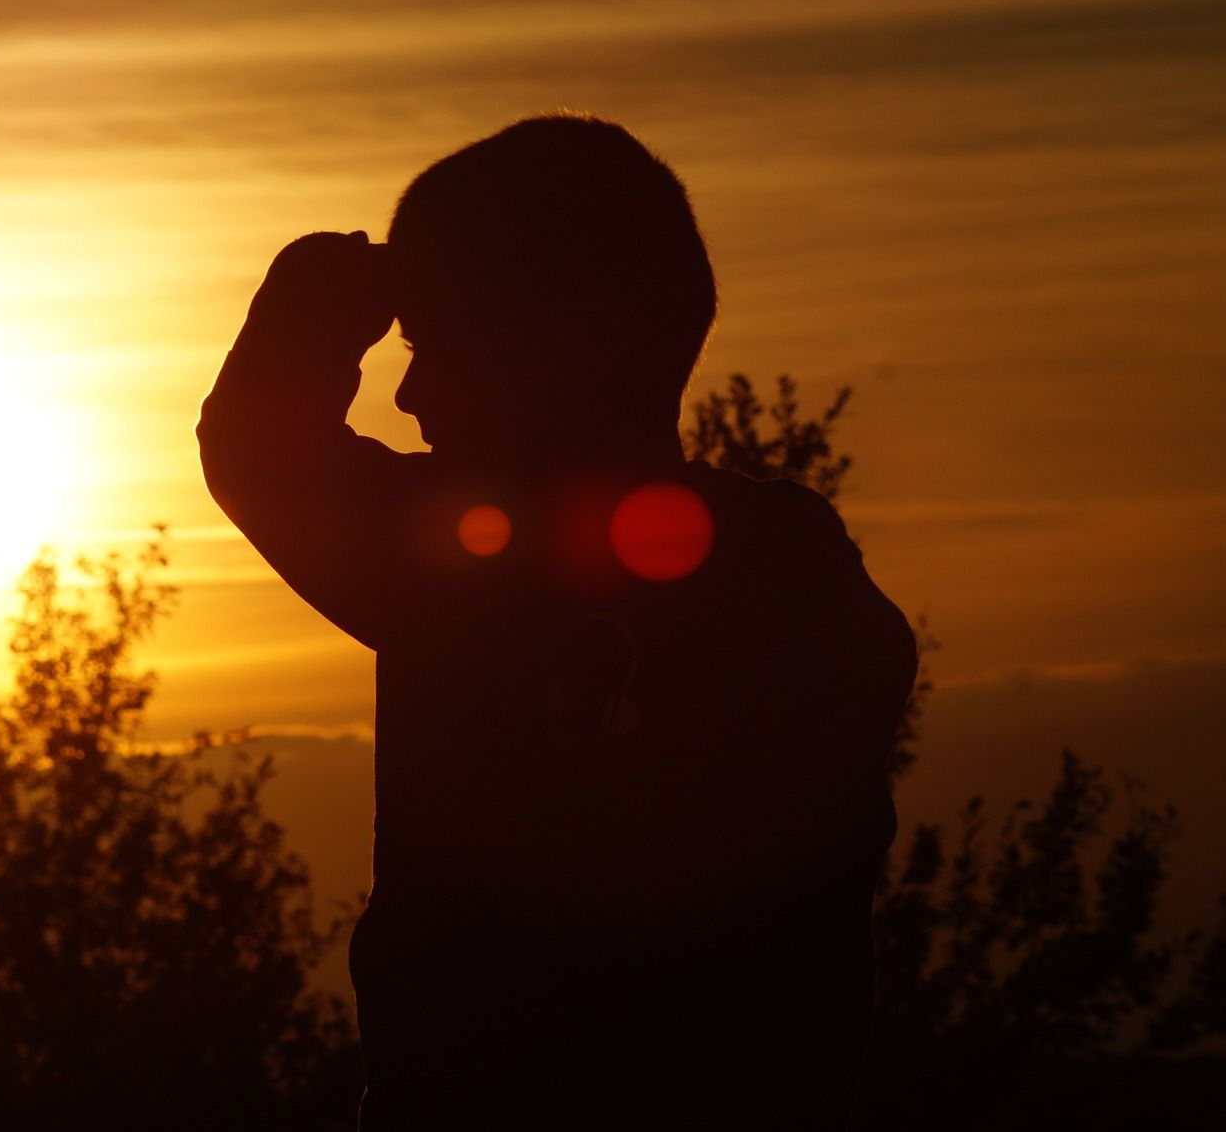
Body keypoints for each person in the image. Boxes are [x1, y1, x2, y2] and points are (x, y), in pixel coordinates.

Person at [198, 114, 919, 1128]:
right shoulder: (793, 568)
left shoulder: (468, 567)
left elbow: (260, 454)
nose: (409, 394)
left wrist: (318, 298)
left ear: (553, 347)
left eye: (438, 343)